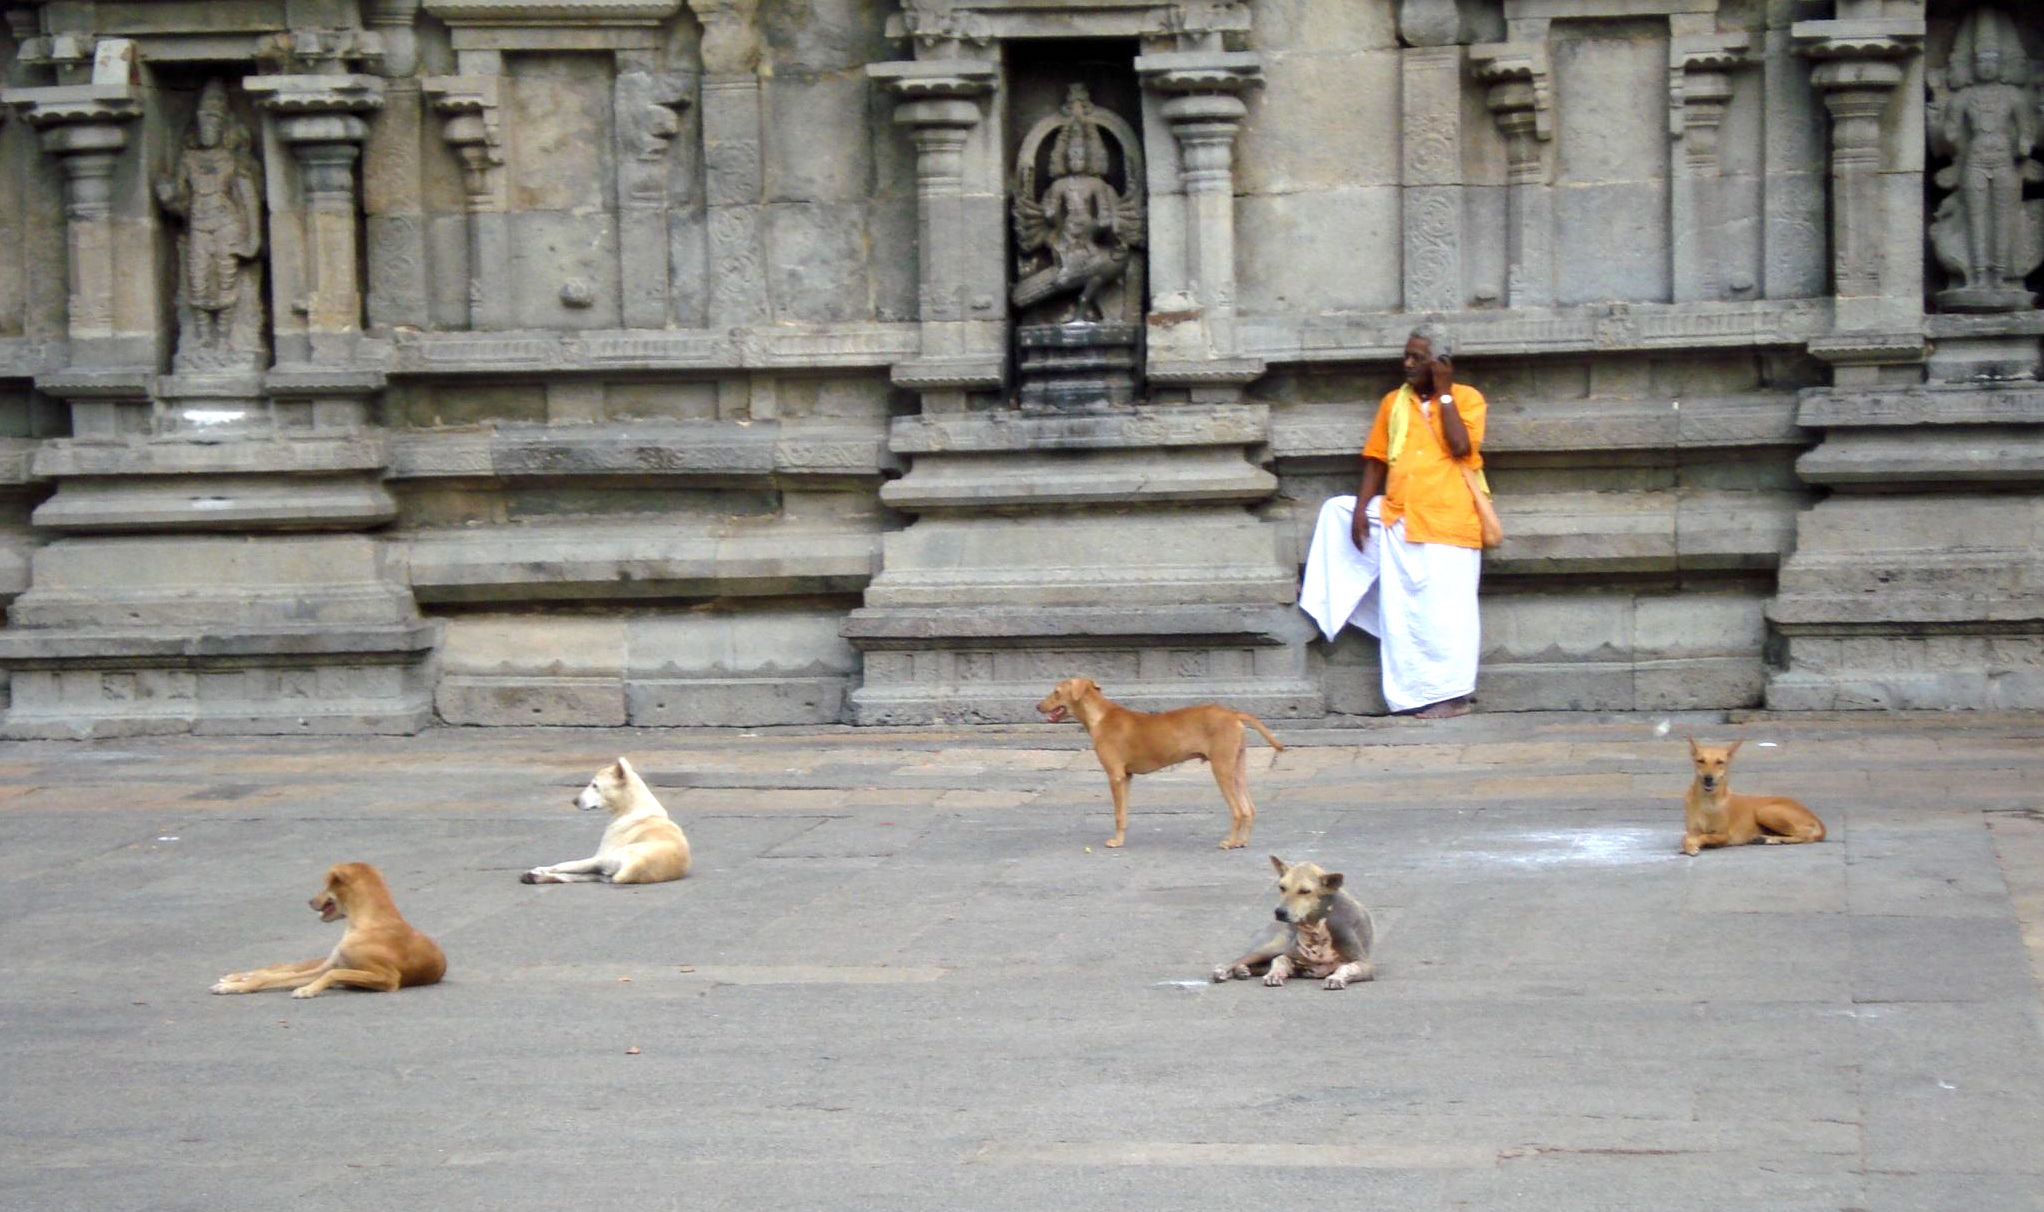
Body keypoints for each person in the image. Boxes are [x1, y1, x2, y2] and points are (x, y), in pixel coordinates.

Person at [1299, 322, 1489, 718]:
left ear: (1440, 364)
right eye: (1406, 356)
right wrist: (1360, 510)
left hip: (1448, 521)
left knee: (1448, 615)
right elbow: (1376, 459)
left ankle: (1453, 698)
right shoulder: (1394, 402)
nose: (1406, 364)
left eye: (1417, 358)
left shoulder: (1468, 399)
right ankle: (1415, 693)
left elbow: (1460, 446)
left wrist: (1445, 395)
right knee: (1406, 610)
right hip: (1400, 514)